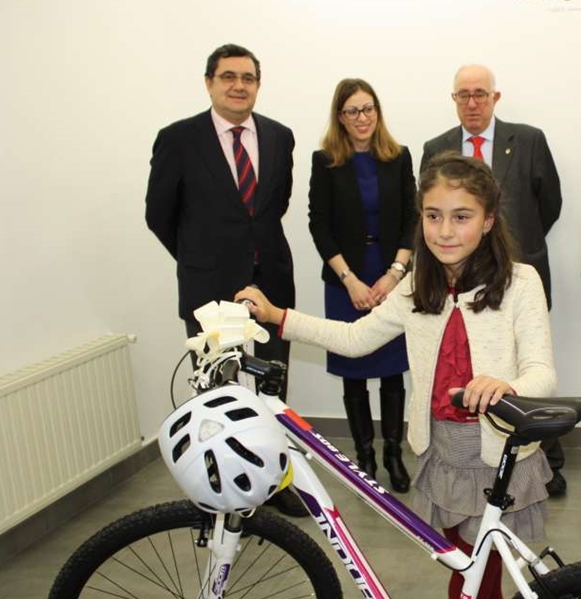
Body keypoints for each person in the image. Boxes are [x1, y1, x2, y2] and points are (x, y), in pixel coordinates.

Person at [237, 153, 555, 599]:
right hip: (442, 445)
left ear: (487, 221)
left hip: (498, 448)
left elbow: (542, 373)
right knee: (463, 562)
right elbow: (353, 339)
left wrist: (508, 387)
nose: (445, 231)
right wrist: (278, 316)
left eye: (461, 217)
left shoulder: (521, 282)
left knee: (484, 571)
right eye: (433, 216)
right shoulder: (413, 287)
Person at [144, 44, 303, 516]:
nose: (239, 85)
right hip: (207, 287)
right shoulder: (178, 138)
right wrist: (200, 258)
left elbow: (273, 206)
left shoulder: (280, 136)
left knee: (275, 386)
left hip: (271, 280)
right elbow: (159, 215)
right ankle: (219, 489)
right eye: (228, 76)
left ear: (258, 83)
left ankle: (277, 482)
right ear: (209, 82)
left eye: (248, 77)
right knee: (215, 391)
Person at [422, 64, 568, 497]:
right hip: (461, 280)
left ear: (495, 98)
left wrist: (509, 252)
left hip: (517, 273)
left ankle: (544, 459)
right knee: (473, 370)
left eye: (480, 94)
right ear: (453, 100)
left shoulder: (528, 140)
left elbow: (550, 202)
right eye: (462, 95)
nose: (471, 102)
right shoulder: (436, 147)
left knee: (528, 369)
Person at [308, 79, 418, 492]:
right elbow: (318, 225)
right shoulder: (325, 162)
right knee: (353, 372)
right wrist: (350, 280)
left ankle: (393, 454)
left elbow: (412, 218)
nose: (362, 118)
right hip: (345, 281)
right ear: (340, 116)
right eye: (352, 110)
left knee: (392, 372)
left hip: (391, 276)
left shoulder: (398, 156)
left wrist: (394, 274)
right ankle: (365, 458)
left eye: (368, 108)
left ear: (378, 111)